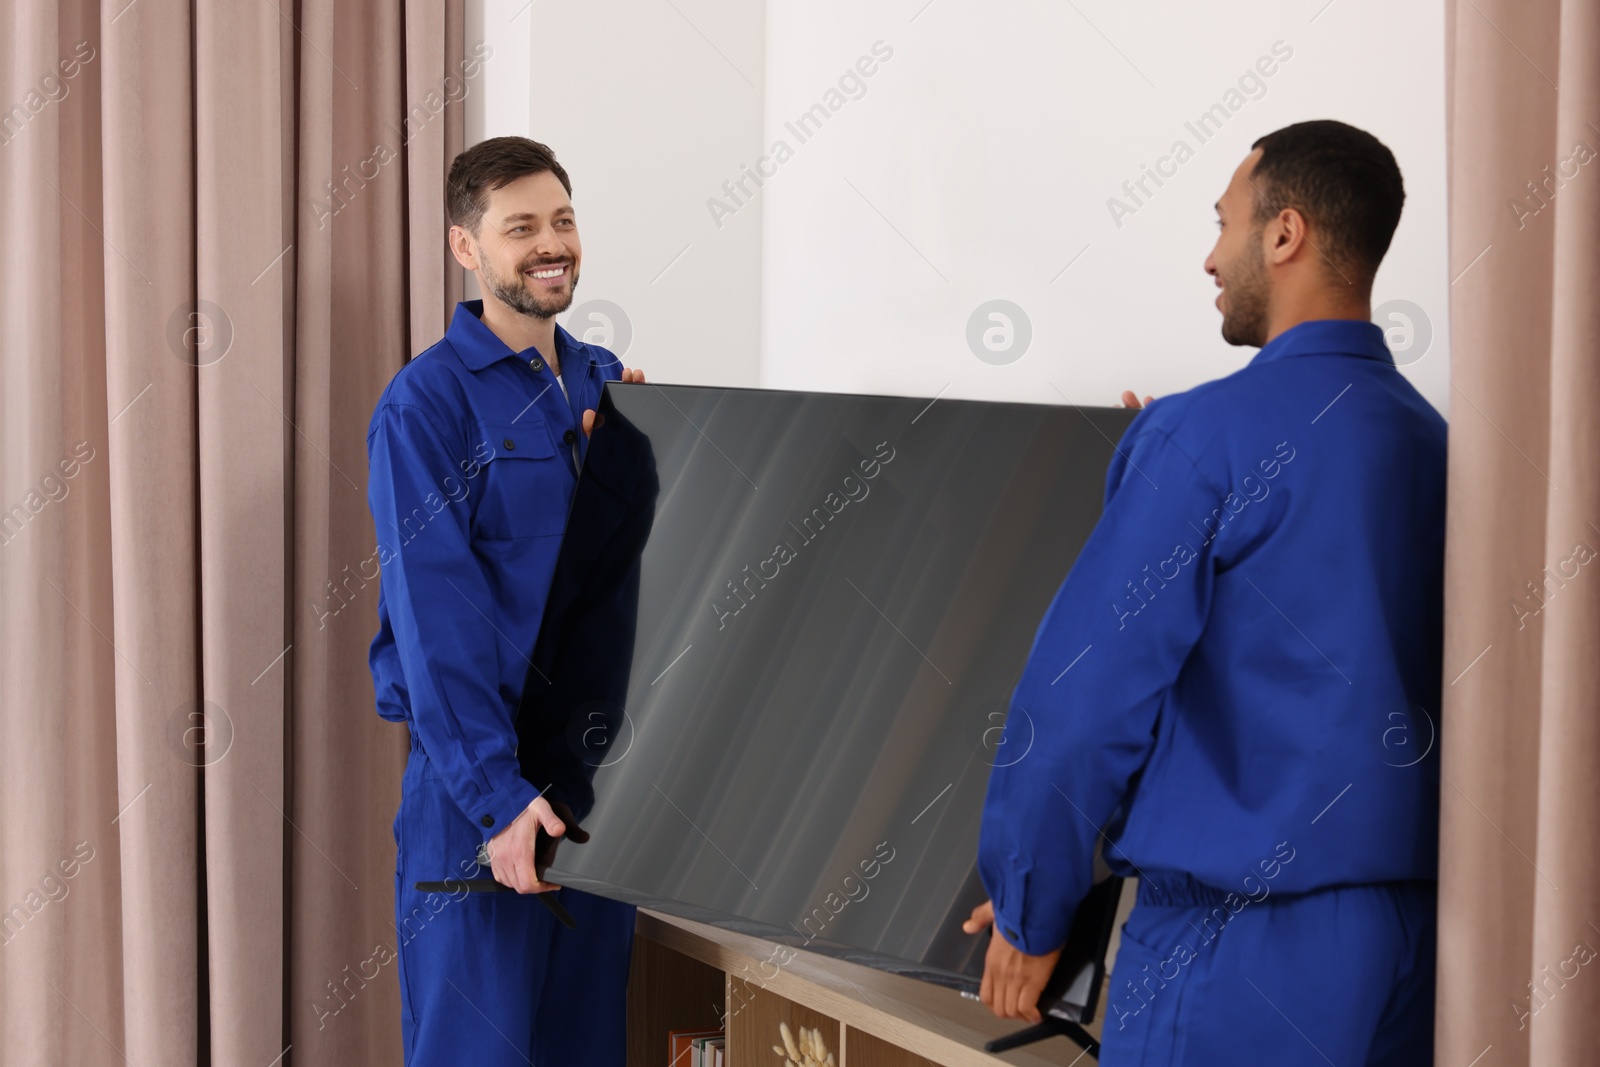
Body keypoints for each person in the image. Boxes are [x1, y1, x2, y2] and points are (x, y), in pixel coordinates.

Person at [964, 120, 1444, 1064]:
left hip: (1234, 951)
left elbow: (1082, 703)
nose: (1209, 255)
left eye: (1224, 222)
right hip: (1413, 950)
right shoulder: (1434, 443)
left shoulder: (1203, 438)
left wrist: (1030, 907)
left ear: (1284, 234)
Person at [365, 135, 644, 1066]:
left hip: (596, 790)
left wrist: (655, 451)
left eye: (561, 220)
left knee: (586, 1046)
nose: (550, 242)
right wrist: (497, 800)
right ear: (466, 248)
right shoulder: (426, 406)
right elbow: (434, 621)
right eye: (520, 226)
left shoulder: (611, 383)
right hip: (480, 794)